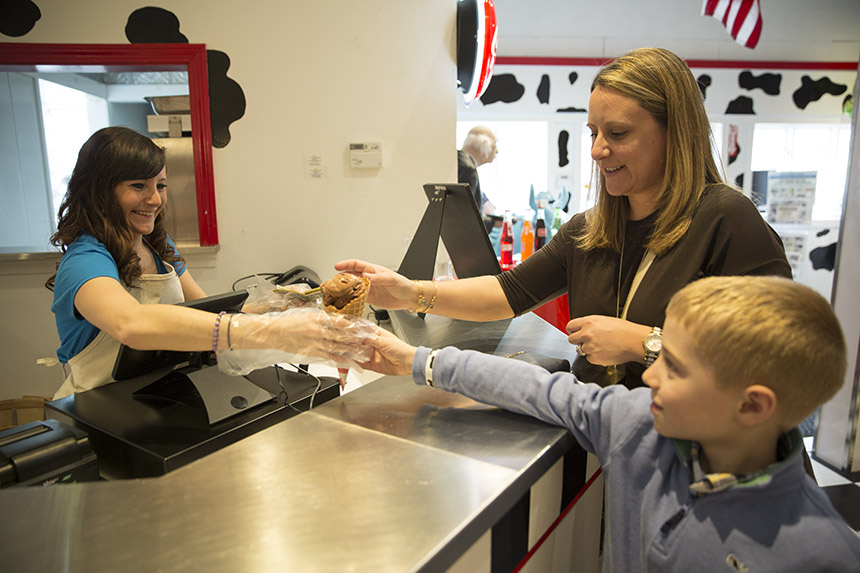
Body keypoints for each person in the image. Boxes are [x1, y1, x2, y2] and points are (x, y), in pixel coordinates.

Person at [339, 47, 791, 388]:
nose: (597, 150)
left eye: (618, 134)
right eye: (594, 133)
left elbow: (778, 352)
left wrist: (644, 343)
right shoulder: (590, 230)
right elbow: (509, 292)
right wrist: (409, 292)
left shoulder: (726, 219)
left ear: (676, 132)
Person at [358, 275, 860, 571]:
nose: (652, 374)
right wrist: (416, 361)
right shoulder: (638, 424)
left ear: (752, 407)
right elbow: (544, 391)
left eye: (675, 366)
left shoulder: (823, 553)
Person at [46, 126, 364, 399]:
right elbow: (132, 325)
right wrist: (262, 333)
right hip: (96, 411)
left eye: (160, 185)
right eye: (138, 186)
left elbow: (205, 311)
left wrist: (274, 308)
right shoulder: (86, 260)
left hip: (155, 398)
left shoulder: (158, 247)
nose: (155, 199)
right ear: (100, 191)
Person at [458, 125, 498, 212]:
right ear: (484, 145)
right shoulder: (468, 169)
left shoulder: (460, 161)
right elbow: (466, 211)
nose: (496, 151)